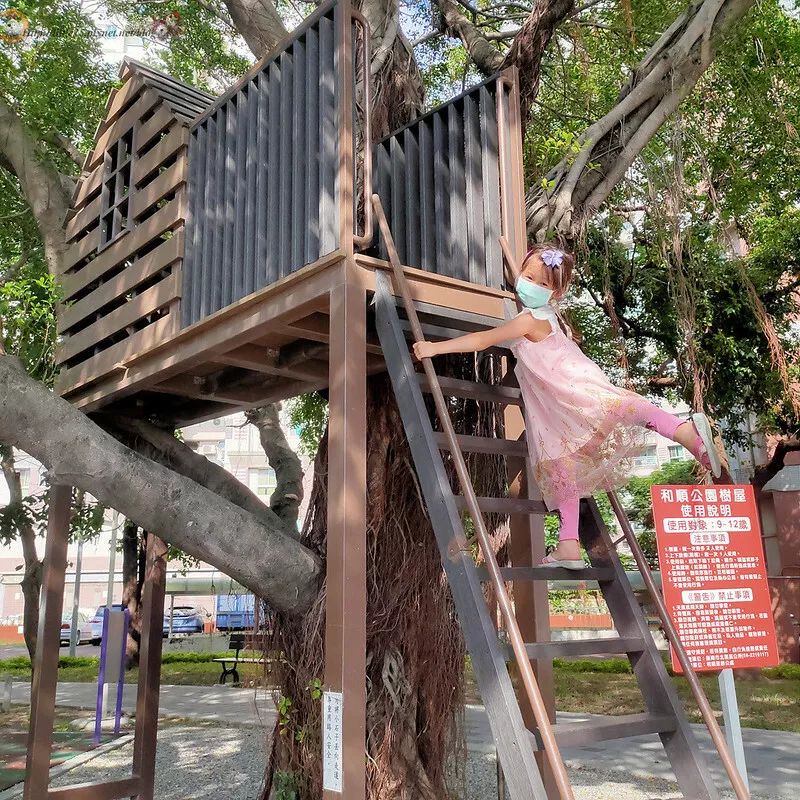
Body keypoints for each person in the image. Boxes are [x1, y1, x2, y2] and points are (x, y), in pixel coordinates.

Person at [412, 243, 723, 569]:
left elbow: (483, 340)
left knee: (618, 409)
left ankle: (684, 431)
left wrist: (434, 347)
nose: (529, 284)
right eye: (526, 276)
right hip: (553, 404)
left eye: (541, 283)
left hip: (568, 389)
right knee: (562, 467)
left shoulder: (529, 320)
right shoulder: (549, 315)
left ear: (556, 292)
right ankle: (569, 544)